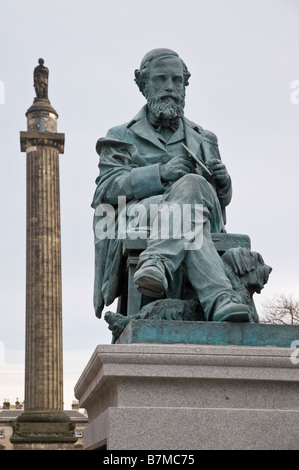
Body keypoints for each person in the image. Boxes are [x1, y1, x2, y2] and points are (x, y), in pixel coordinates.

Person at [92, 48, 250, 322]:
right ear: (142, 84)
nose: (170, 87)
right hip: (144, 214)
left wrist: (223, 184)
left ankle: (156, 261)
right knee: (190, 217)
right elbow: (105, 191)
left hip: (199, 210)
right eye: (161, 79)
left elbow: (221, 201)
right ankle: (221, 297)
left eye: (177, 80)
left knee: (192, 187)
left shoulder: (204, 138)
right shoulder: (121, 135)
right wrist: (161, 173)